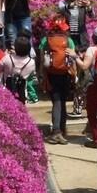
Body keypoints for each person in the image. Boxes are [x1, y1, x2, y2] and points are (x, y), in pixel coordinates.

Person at [40, 16, 79, 144]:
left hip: (51, 75)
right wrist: (75, 75)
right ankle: (60, 131)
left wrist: (43, 76)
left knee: (57, 102)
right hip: (66, 75)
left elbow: (42, 60)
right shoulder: (68, 40)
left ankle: (56, 132)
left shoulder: (46, 40)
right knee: (61, 102)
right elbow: (72, 59)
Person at [0, 35, 37, 103]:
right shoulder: (31, 62)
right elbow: (32, 75)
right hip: (22, 93)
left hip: (6, 91)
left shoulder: (7, 58)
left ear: (16, 47)